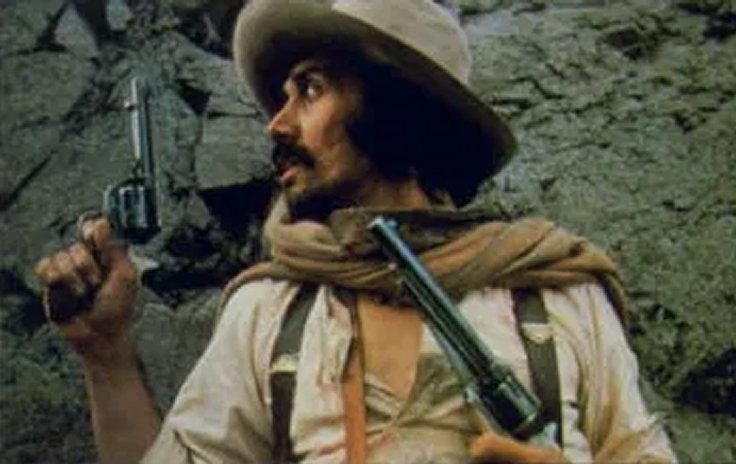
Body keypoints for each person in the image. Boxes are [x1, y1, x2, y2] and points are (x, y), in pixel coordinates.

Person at [34, 0, 677, 462]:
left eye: (310, 90)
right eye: (283, 96)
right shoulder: (270, 311)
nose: (277, 124)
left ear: (395, 108)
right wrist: (105, 353)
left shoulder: (560, 298)